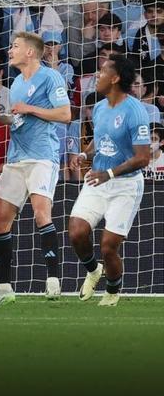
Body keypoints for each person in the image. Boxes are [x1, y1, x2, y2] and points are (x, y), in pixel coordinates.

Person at [0, 31, 72, 305]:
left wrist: (30, 108)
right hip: (16, 157)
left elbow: (65, 114)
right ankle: (5, 287)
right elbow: (19, 119)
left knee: (41, 212)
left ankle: (54, 280)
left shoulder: (50, 76)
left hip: (42, 156)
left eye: (15, 46)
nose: (10, 50)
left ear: (30, 52)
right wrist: (0, 117)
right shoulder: (18, 82)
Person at [67, 54, 151, 307]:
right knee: (77, 232)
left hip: (125, 185)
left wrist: (110, 173)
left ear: (114, 79)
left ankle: (113, 290)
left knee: (108, 247)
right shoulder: (102, 107)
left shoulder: (135, 111)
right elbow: (101, 141)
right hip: (97, 180)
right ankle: (93, 271)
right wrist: (84, 154)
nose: (97, 76)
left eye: (102, 72)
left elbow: (144, 158)